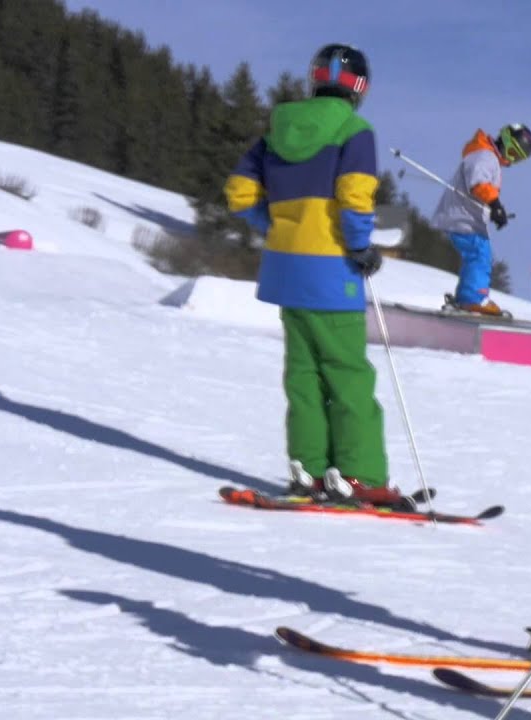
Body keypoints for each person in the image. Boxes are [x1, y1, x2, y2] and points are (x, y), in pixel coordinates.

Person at [225, 44, 404, 507]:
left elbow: (240, 192)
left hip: (286, 271)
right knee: (347, 375)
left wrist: (277, 225)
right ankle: (360, 475)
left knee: (303, 376)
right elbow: (354, 194)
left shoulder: (276, 133)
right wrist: (360, 246)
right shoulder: (354, 131)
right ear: (360, 88)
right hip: (331, 271)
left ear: (315, 78)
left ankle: (308, 471)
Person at [430, 122, 531, 316]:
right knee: (479, 254)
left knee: (478, 255)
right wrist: (495, 205)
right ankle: (473, 299)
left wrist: (495, 210)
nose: (511, 159)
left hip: (466, 217)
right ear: (504, 139)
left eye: (517, 158)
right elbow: (479, 183)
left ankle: (467, 298)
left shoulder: (486, 156)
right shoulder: (486, 156)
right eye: (512, 152)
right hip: (462, 218)